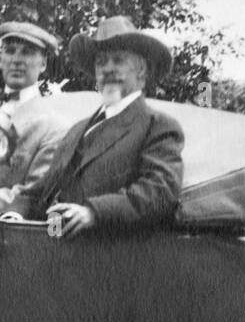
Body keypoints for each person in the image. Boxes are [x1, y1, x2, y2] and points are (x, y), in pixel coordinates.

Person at [25, 16, 184, 238]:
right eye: (101, 62)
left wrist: (94, 212)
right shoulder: (77, 130)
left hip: (103, 256)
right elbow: (42, 189)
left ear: (141, 70)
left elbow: (160, 192)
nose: (107, 69)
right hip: (49, 245)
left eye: (118, 60)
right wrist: (12, 213)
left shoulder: (158, 126)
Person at [0, 21, 86, 214]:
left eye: (27, 52)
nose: (16, 60)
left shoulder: (54, 127)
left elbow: (29, 198)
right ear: (0, 59)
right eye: (10, 50)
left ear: (43, 63)